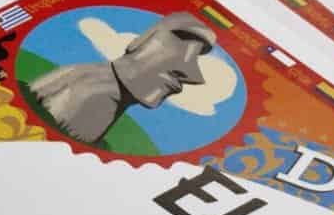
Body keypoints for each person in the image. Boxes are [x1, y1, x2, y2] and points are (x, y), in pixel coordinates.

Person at [28, 11, 218, 145]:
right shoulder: (95, 96)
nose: (194, 77)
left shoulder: (77, 74)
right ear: (140, 41)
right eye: (180, 44)